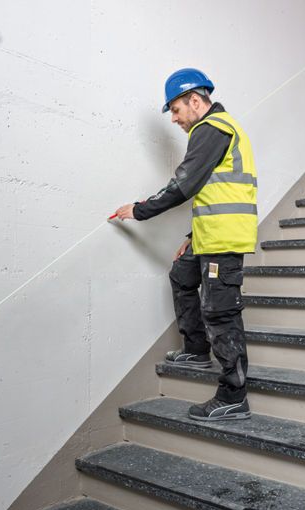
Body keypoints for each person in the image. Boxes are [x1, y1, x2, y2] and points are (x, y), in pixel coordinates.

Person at [114, 68, 257, 421]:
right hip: (208, 234)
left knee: (220, 312)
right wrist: (193, 237)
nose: (175, 119)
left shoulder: (212, 128)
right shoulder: (215, 130)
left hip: (224, 239)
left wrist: (140, 210)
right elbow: (217, 189)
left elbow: (184, 185)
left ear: (195, 100)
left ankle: (233, 395)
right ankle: (196, 348)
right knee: (181, 275)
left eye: (176, 110)